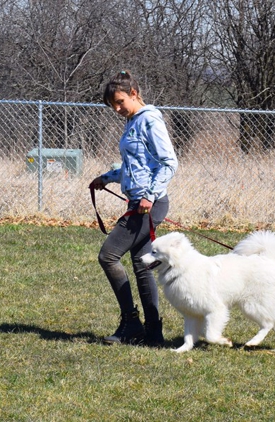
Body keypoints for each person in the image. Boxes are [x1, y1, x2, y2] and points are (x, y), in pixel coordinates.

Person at [90, 70, 178, 347]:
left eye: (120, 102)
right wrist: (106, 178)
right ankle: (152, 333)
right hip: (137, 202)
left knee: (109, 255)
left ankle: (131, 323)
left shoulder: (149, 119)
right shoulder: (132, 121)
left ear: (134, 94)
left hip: (147, 205)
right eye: (112, 105)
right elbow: (136, 167)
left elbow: (168, 162)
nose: (117, 109)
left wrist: (150, 196)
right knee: (142, 266)